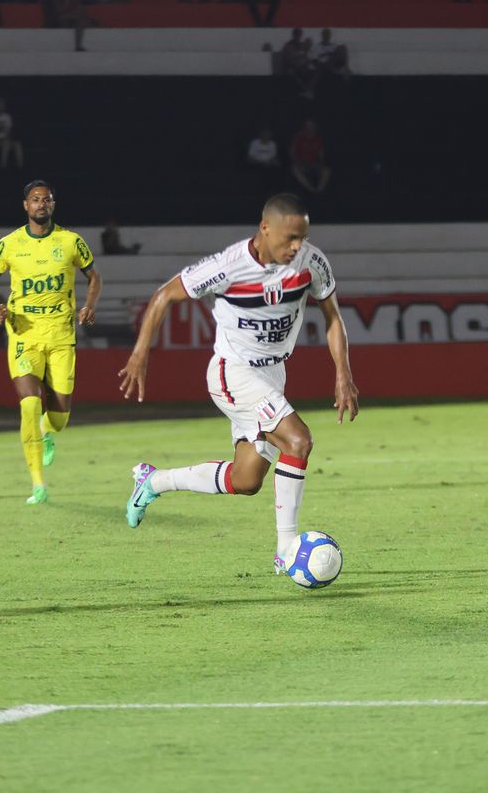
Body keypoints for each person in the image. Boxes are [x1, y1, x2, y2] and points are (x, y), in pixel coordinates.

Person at [118, 193, 360, 574]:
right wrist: (140, 354)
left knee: (246, 479)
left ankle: (154, 481)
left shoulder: (311, 262)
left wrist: (343, 373)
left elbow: (332, 316)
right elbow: (165, 295)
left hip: (272, 375)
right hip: (233, 373)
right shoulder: (229, 266)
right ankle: (286, 552)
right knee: (298, 441)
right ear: (265, 228)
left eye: (302, 237)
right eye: (289, 238)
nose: (296, 246)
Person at [0, 180, 102, 505]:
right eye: (35, 199)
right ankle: (37, 485)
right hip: (23, 337)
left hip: (61, 338)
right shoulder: (8, 245)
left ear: (53, 205)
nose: (41, 204)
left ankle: (48, 432)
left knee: (59, 419)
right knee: (30, 405)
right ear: (25, 206)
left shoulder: (72, 241)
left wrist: (90, 305)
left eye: (46, 199)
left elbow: (94, 276)